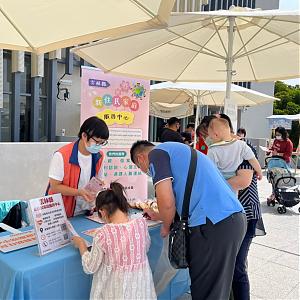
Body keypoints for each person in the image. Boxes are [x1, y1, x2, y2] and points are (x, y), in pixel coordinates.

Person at [130, 140, 246, 300]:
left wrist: (165, 226)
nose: (146, 172)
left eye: (140, 168)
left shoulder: (156, 154)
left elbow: (167, 200)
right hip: (231, 219)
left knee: (206, 292)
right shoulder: (181, 151)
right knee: (219, 287)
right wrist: (160, 215)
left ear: (141, 158)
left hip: (213, 224)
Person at [209, 114, 266, 300]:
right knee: (230, 264)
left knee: (237, 266)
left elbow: (241, 182)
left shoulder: (242, 147)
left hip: (245, 214)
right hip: (228, 215)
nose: (208, 139)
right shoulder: (230, 147)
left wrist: (213, 185)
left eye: (208, 134)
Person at [72, 182, 156, 300]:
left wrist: (81, 245)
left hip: (114, 291)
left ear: (102, 211)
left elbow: (90, 267)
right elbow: (145, 248)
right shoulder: (141, 224)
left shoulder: (103, 234)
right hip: (140, 290)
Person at [46, 116, 109, 218]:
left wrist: (96, 190)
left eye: (102, 143)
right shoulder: (62, 155)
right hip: (61, 212)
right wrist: (79, 192)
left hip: (85, 211)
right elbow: (55, 186)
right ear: (84, 135)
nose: (99, 145)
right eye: (96, 142)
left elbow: (98, 180)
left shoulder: (99, 156)